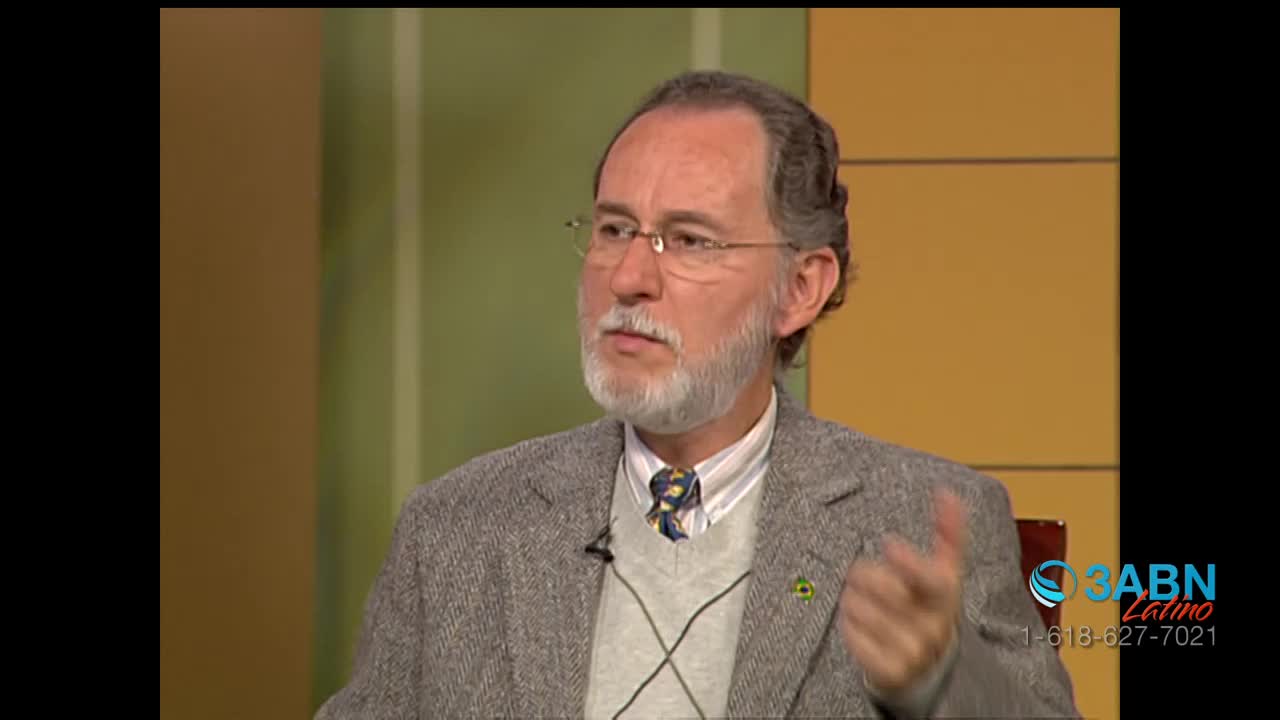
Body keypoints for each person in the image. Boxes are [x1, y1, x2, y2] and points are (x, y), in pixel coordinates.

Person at [315, 70, 1080, 719]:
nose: (628, 278)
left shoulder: (915, 520)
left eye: (688, 241)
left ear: (801, 289)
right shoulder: (455, 532)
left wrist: (945, 683)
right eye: (615, 229)